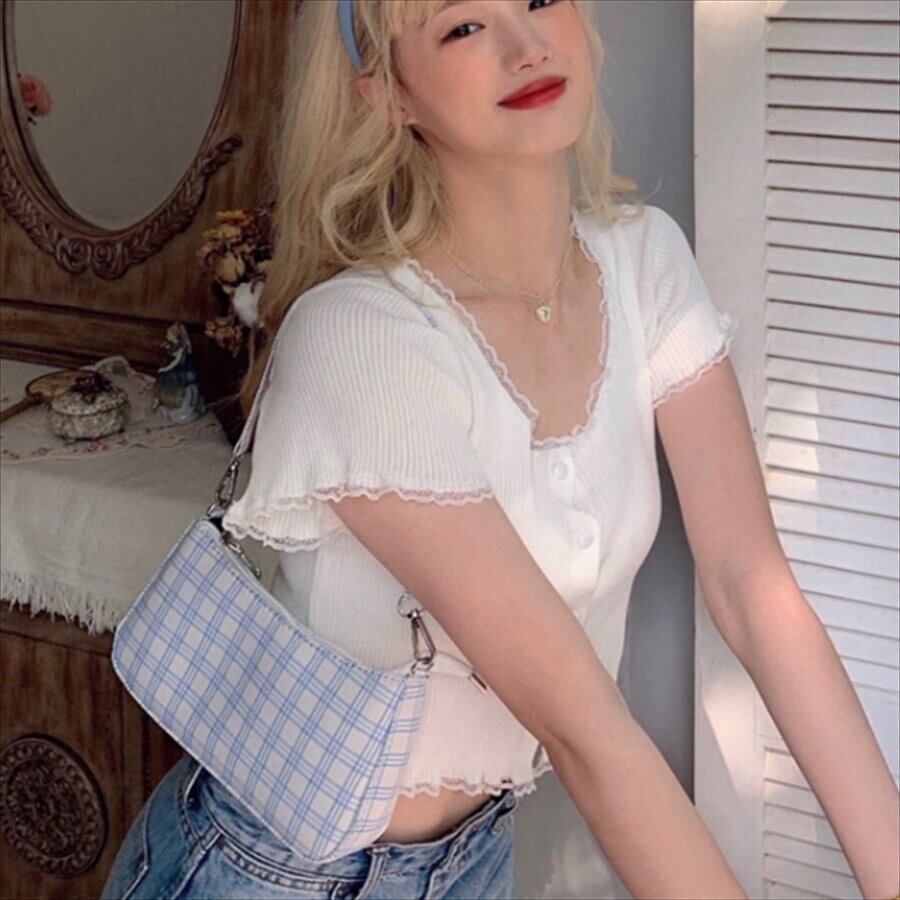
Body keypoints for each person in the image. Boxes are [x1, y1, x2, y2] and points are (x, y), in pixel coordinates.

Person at [102, 1, 900, 899]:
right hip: (268, 874)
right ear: (390, 94)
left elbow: (752, 588)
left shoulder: (643, 263)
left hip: (475, 859)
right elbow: (585, 732)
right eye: (462, 27)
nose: (526, 47)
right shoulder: (364, 338)